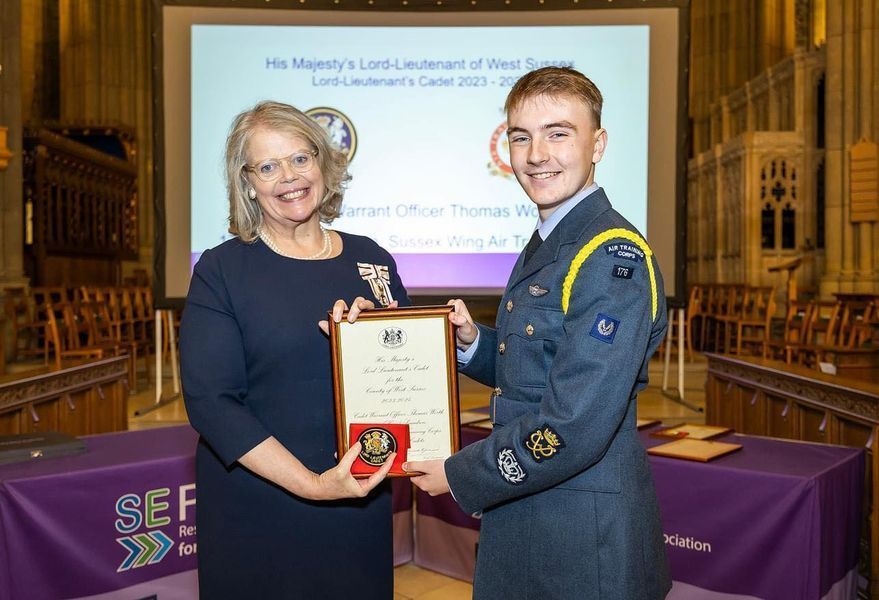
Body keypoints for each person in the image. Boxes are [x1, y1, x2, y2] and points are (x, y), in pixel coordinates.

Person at [404, 67, 672, 599]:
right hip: (533, 512)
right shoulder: (555, 238)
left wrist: (461, 474)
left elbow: (574, 421)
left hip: (581, 537)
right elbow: (542, 368)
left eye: (558, 133)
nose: (536, 155)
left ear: (598, 144)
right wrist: (474, 345)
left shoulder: (609, 255)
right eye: (521, 137)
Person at [180, 100, 408, 598]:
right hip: (260, 511)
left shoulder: (372, 259)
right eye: (268, 166)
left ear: (323, 162)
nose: (289, 177)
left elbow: (408, 377)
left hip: (358, 500)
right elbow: (212, 402)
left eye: (301, 158)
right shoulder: (222, 270)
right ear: (248, 183)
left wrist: (376, 339)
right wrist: (313, 484)